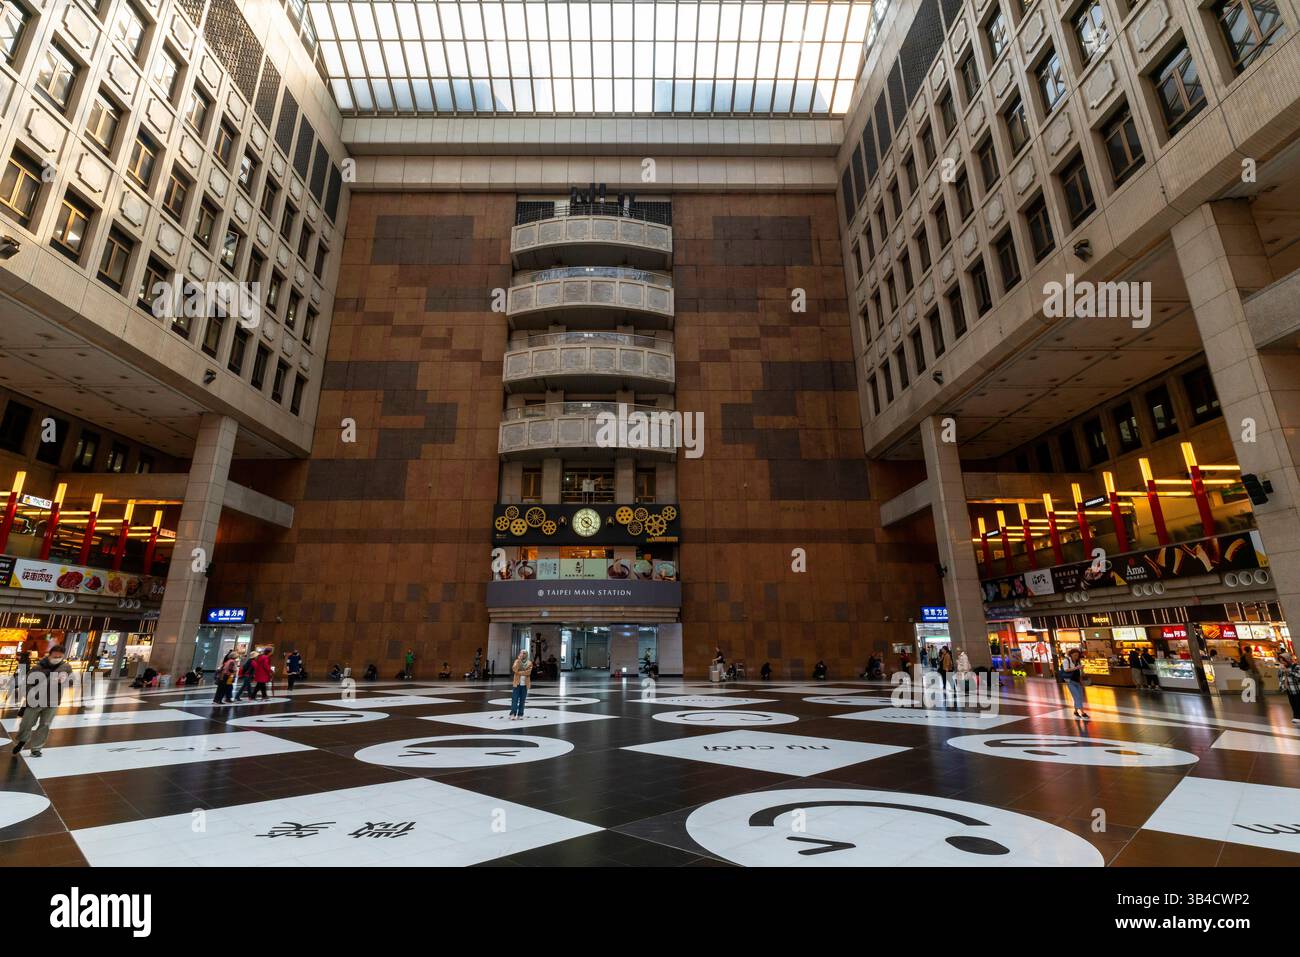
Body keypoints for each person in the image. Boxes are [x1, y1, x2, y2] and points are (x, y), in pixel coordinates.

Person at [11, 644, 72, 758]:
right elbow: (27, 683)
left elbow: (70, 682)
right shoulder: (38, 667)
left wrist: (64, 681)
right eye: (55, 656)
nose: (57, 658)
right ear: (49, 655)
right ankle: (22, 741)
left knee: (45, 725)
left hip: (52, 702)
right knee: (26, 724)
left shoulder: (66, 667)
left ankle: (36, 748)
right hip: (35, 701)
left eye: (60, 656)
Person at [1060, 648, 1089, 719]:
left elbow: (1080, 672)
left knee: (1080, 696)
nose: (1076, 656)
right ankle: (1082, 712)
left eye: (1077, 655)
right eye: (1075, 655)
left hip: (1078, 681)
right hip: (1070, 681)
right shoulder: (1066, 660)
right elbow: (1066, 669)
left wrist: (1082, 670)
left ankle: (1076, 711)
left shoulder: (1078, 661)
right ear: (1071, 654)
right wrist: (1076, 668)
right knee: (1077, 696)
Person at [1278, 652, 1300, 724]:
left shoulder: (1296, 667)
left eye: (1283, 661)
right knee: (1293, 703)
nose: (1282, 663)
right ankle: (1296, 716)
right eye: (1281, 661)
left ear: (1288, 660)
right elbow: (1281, 678)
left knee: (1297, 703)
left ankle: (1297, 717)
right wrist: (1282, 687)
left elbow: (1298, 676)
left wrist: (1288, 671)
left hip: (1297, 689)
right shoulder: (1282, 668)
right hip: (1289, 690)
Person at [509, 649, 531, 719]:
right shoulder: (517, 661)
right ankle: (513, 714)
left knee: (522, 700)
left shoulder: (529, 663)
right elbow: (514, 669)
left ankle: (520, 714)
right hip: (517, 684)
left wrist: (519, 672)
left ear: (526, 654)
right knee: (514, 699)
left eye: (524, 653)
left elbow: (528, 672)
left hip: (525, 685)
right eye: (522, 653)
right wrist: (519, 660)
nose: (523, 654)